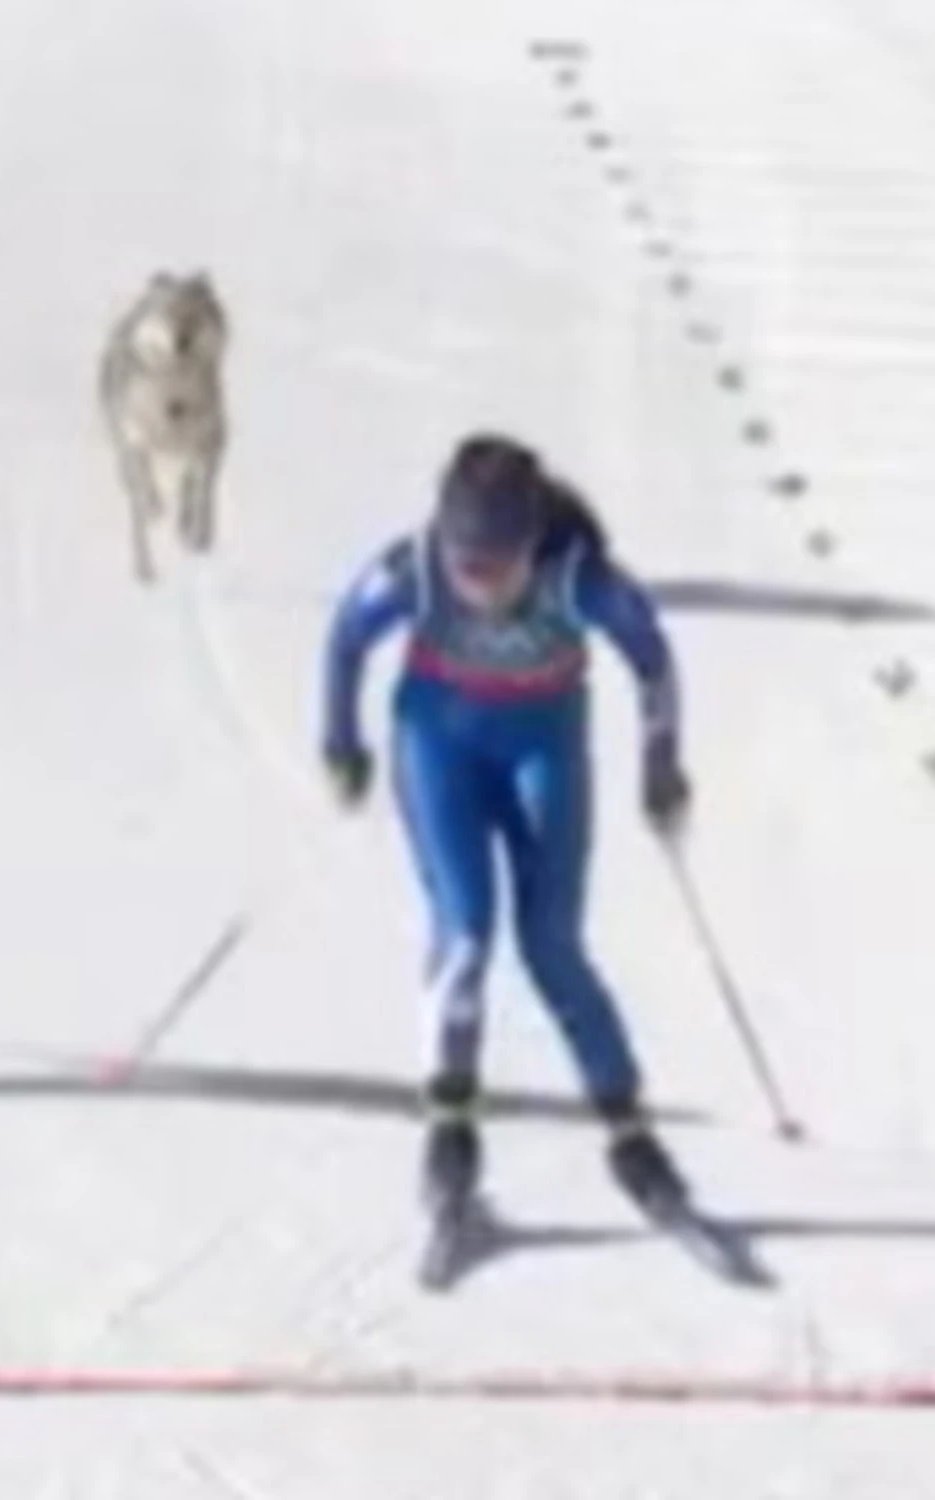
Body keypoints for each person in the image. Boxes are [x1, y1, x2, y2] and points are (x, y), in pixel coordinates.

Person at [319, 432, 695, 1218]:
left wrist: (660, 763)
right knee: (464, 935)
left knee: (552, 945)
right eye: (465, 566)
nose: (477, 585)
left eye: (495, 568)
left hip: (541, 749)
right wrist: (340, 744)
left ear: (531, 545)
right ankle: (450, 1123)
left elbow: (652, 660)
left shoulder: (578, 577)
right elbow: (347, 638)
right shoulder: (416, 567)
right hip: (439, 749)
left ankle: (627, 1129)